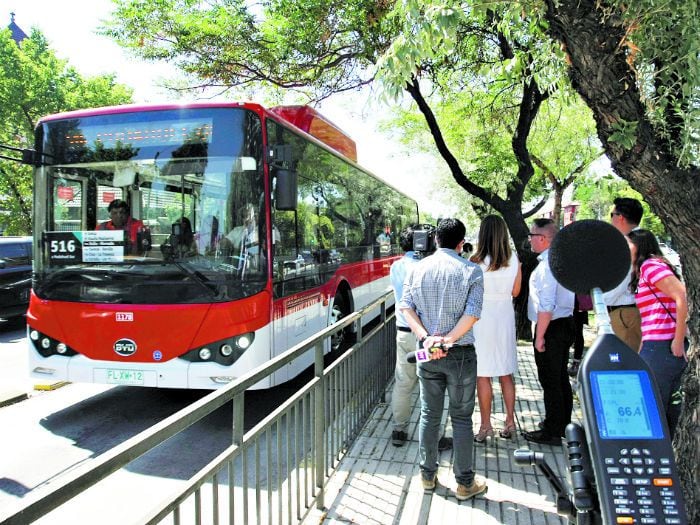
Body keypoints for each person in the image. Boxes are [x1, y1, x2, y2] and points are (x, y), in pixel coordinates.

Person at [399, 218, 488, 501]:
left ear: (436, 239)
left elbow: (406, 307)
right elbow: (473, 313)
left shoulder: (417, 268)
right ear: (462, 242)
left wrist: (427, 338)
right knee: (461, 419)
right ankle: (465, 483)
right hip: (460, 353)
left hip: (428, 352)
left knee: (429, 415)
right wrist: (448, 340)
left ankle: (427, 476)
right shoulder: (472, 271)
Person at [389, 225, 452, 451]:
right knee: (432, 385)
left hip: (404, 333)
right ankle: (432, 437)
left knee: (404, 382)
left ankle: (399, 429)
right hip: (429, 338)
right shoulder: (434, 266)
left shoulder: (396, 266)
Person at [628, 229, 688, 437]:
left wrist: (678, 340)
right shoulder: (643, 270)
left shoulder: (651, 266)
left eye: (628, 244)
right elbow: (653, 313)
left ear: (639, 246)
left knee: (653, 407)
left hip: (664, 346)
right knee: (658, 406)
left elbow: (681, 296)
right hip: (654, 344)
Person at [470, 215, 522, 441]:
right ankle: (510, 423)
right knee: (505, 373)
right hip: (504, 318)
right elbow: (516, 292)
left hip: (482, 320)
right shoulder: (514, 260)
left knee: (483, 375)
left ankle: (485, 426)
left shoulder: (474, 260)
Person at [525, 218, 575, 446]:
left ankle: (552, 430)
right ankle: (562, 424)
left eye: (532, 235)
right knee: (560, 378)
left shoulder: (547, 266)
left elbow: (546, 306)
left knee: (551, 380)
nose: (529, 239)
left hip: (551, 327)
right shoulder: (561, 261)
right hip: (564, 324)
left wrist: (540, 336)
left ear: (543, 239)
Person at [602, 197, 643, 351]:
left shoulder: (628, 245)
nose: (610, 219)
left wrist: (601, 300)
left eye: (611, 215)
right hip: (629, 312)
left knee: (623, 366)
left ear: (620, 217)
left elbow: (620, 280)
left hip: (624, 314)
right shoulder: (642, 239)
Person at [567, 293, 592, 377]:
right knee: (568, 332)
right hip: (567, 303)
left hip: (578, 304)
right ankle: (565, 361)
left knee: (577, 333)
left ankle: (576, 362)